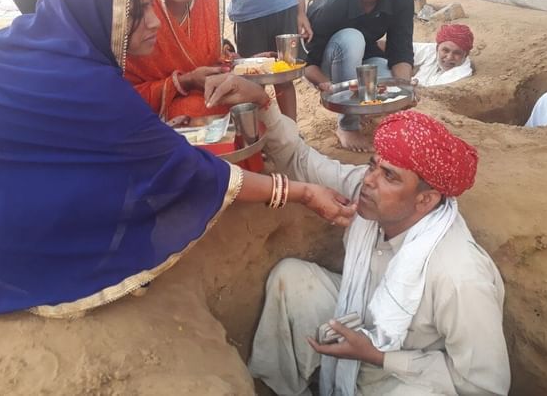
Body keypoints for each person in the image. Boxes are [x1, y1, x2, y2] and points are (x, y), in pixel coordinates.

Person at [0, 0, 357, 318]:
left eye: (152, 5)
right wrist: (299, 192)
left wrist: (180, 88)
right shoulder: (90, 87)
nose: (154, 21)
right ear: (99, 14)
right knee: (108, 207)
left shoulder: (36, 38)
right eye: (137, 11)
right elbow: (190, 170)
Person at [204, 74, 510, 394]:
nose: (368, 180)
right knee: (292, 280)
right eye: (372, 165)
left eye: (389, 176)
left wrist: (379, 356)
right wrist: (264, 102)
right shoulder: (368, 194)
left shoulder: (460, 276)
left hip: (404, 375)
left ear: (426, 199)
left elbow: (484, 387)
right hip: (361, 318)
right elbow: (300, 160)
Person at [304, 0, 414, 152]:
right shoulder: (332, 4)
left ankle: (363, 107)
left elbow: (400, 49)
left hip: (363, 64)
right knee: (351, 39)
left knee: (388, 79)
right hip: (327, 68)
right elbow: (307, 64)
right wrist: (329, 86)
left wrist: (404, 90)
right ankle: (347, 125)